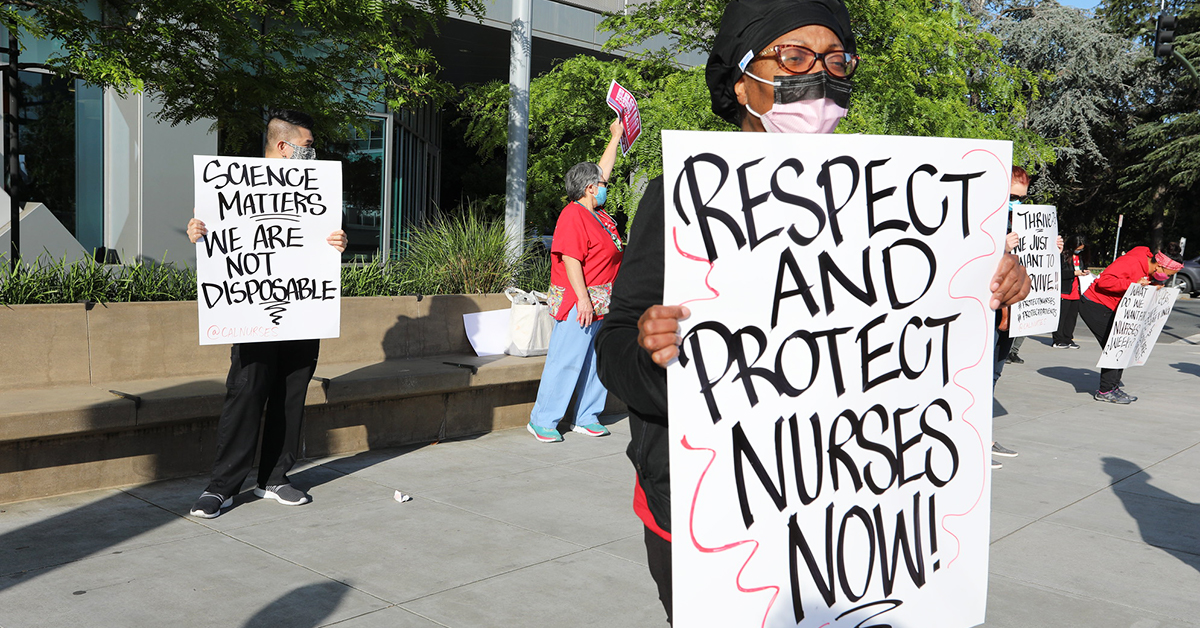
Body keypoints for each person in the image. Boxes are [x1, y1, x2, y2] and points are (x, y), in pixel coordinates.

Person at [592, 0, 1032, 621]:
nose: (817, 77)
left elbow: (918, 320)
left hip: (855, 523)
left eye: (835, 59)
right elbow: (614, 348)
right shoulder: (681, 195)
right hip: (711, 511)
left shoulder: (890, 191)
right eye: (793, 56)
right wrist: (649, 350)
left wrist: (991, 283)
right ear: (741, 80)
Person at [185, 109, 348, 518]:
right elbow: (217, 235)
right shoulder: (230, 185)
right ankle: (222, 487)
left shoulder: (316, 191)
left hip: (303, 310)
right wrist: (198, 233)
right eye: (308, 146)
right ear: (283, 146)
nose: (313, 153)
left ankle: (275, 477)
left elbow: (317, 243)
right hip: (252, 313)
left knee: (291, 396)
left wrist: (338, 242)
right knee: (247, 392)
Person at [526, 119, 625, 443]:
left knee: (597, 359)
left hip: (603, 300)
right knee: (566, 359)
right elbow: (571, 258)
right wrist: (583, 299)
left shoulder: (597, 211)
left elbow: (603, 170)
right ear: (589, 188)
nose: (606, 185)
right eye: (600, 183)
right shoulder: (574, 214)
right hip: (579, 301)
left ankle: (587, 415)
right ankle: (543, 419)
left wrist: (616, 136)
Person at [1078, 246, 1182, 404]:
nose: (1165, 278)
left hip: (1113, 307)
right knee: (1115, 347)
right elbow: (1104, 281)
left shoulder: (1148, 265)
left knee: (1124, 345)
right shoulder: (1131, 261)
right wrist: (1134, 283)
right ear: (1160, 266)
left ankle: (1113, 387)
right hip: (1095, 305)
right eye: (1167, 275)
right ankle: (1105, 390)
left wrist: (1152, 286)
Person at [1052, 235, 1089, 348]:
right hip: (1064, 291)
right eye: (1078, 248)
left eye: (1081, 248)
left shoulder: (1081, 258)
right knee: (1061, 317)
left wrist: (1084, 272)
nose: (1079, 251)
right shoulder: (1062, 256)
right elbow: (1058, 273)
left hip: (1076, 291)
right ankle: (1058, 339)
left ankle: (1068, 338)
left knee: (1072, 318)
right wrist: (1074, 273)